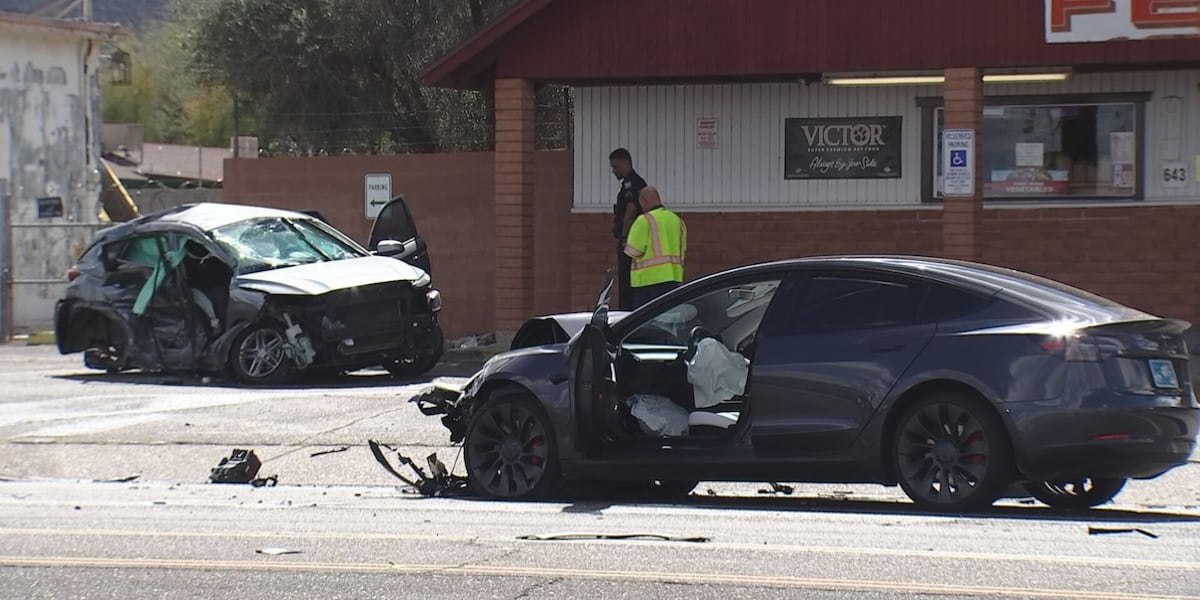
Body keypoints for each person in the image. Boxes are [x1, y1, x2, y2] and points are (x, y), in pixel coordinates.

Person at [623, 186, 686, 308]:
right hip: (674, 280)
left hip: (647, 283)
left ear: (643, 202)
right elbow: (682, 249)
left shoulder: (643, 220)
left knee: (646, 322)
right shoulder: (677, 220)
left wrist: (626, 243)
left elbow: (633, 251)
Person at [609, 148, 647, 311]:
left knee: (627, 281)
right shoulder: (629, 184)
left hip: (630, 240)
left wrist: (624, 236)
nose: (614, 171)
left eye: (616, 166)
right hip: (631, 238)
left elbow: (631, 209)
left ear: (626, 162)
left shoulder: (633, 183)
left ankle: (627, 312)